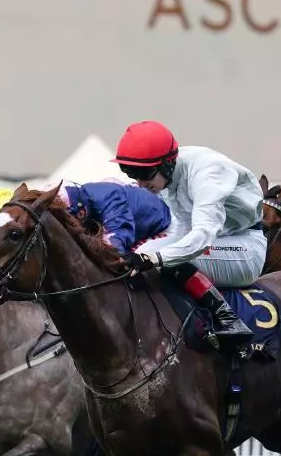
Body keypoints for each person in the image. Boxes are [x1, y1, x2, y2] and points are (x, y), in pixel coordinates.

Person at [110, 120, 258, 345]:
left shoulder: (208, 171)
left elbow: (203, 235)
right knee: (138, 255)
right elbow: (181, 228)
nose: (140, 183)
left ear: (168, 163)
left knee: (165, 259)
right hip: (215, 243)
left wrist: (155, 258)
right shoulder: (167, 178)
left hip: (245, 246)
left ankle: (230, 320)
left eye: (145, 173)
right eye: (132, 173)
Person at [58, 179, 172, 257]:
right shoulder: (81, 198)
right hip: (138, 229)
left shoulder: (107, 198)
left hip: (165, 226)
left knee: (142, 257)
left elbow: (118, 235)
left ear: (80, 212)